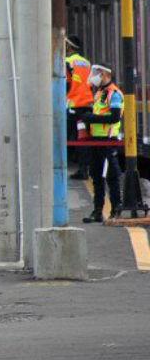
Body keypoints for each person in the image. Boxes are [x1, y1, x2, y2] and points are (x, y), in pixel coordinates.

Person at [79, 65, 124, 223]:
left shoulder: (115, 93)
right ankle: (98, 211)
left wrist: (92, 118)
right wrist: (89, 116)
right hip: (96, 140)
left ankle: (116, 209)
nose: (94, 76)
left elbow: (115, 117)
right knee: (96, 176)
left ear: (104, 74)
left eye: (96, 73)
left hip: (108, 140)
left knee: (112, 175)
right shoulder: (99, 93)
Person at [65, 36, 94, 180]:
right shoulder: (87, 63)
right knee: (83, 137)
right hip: (87, 104)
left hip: (74, 105)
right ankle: (84, 169)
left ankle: (60, 166)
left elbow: (66, 84)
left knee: (67, 136)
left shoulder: (67, 62)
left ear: (70, 47)